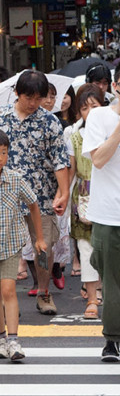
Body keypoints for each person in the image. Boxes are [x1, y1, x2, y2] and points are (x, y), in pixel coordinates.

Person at [0, 70, 69, 316]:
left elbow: (60, 161)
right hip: (4, 195)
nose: (34, 103)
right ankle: (7, 298)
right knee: (5, 248)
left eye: (38, 98)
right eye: (28, 97)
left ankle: (44, 292)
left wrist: (63, 193)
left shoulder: (50, 122)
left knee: (44, 247)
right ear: (16, 93)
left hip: (41, 196)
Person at [0, 128, 45, 362]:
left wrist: (39, 238)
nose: (0, 158)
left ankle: (13, 339)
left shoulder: (15, 179)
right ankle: (0, 338)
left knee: (8, 290)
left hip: (11, 243)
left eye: (4, 152)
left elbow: (33, 205)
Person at [82, 66, 120, 361]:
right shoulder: (99, 117)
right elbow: (99, 159)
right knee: (112, 280)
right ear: (115, 86)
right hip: (109, 214)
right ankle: (113, 338)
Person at [69, 85, 105, 319]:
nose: (90, 112)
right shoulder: (75, 136)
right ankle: (92, 298)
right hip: (83, 196)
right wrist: (62, 195)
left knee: (109, 249)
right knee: (86, 248)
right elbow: (71, 170)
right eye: (84, 108)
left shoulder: (113, 131)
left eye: (94, 106)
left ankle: (107, 293)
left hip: (110, 195)